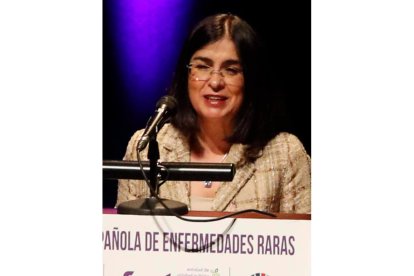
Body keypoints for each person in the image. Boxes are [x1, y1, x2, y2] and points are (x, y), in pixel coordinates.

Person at [116, 13, 311, 214]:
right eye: (202, 67)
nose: (215, 82)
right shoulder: (144, 148)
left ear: (251, 79)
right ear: (186, 75)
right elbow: (123, 238)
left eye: (231, 70)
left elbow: (304, 241)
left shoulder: (284, 154)